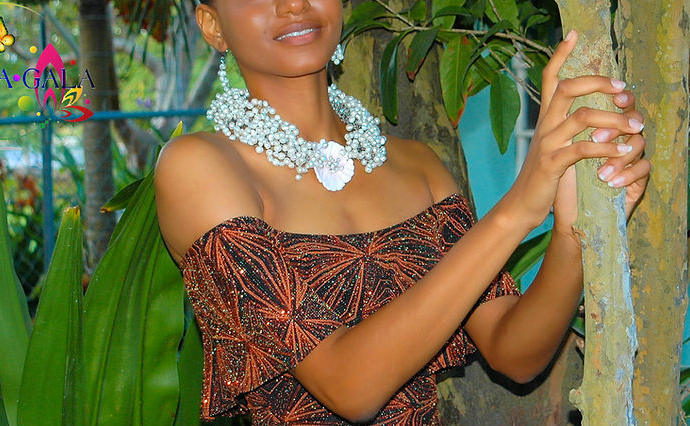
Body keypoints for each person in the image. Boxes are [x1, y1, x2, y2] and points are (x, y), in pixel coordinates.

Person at [154, 0, 651, 423]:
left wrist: (572, 234)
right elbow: (349, 386)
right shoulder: (198, 167)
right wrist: (519, 206)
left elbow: (513, 352)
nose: (294, 3)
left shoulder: (417, 165)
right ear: (212, 25)